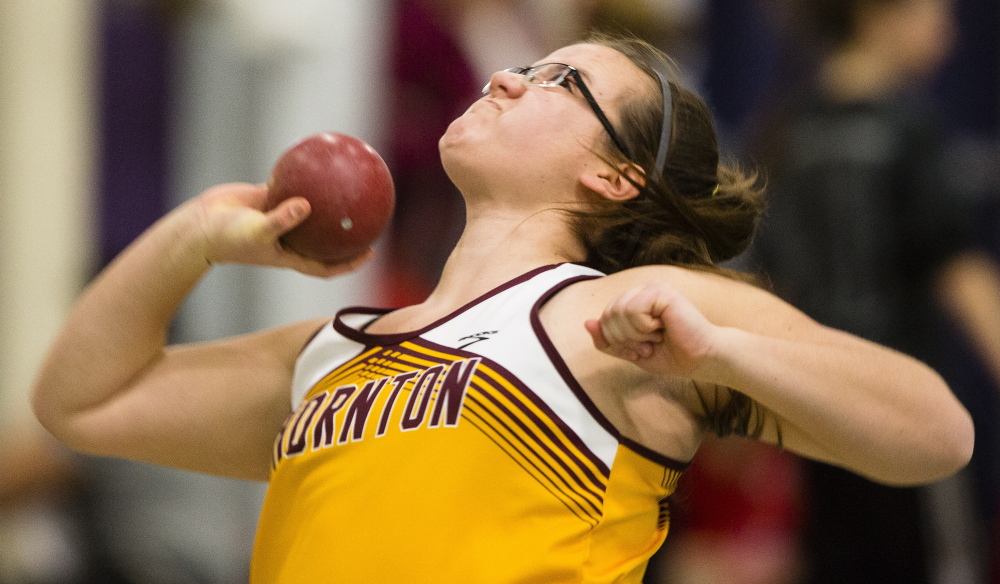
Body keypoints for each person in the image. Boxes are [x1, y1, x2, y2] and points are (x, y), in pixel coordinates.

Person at [31, 34, 973, 583]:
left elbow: (935, 433)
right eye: (526, 65)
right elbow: (85, 402)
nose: (507, 78)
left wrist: (722, 352)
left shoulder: (630, 319)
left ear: (614, 176)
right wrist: (198, 230)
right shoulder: (334, 352)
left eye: (562, 83)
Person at [748, 1, 1000, 582]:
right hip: (906, 409)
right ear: (879, 15)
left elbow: (764, 283)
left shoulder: (788, 127)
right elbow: (959, 268)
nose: (952, 33)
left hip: (820, 416)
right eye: (939, 12)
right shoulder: (908, 127)